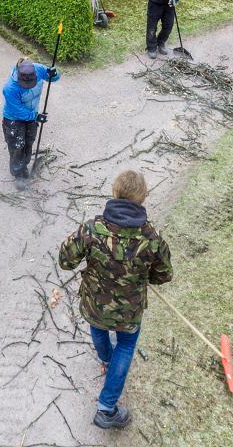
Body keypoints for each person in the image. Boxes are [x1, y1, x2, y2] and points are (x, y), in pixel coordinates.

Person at [58, 170, 172, 430]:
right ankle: (106, 408)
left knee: (98, 328)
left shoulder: (91, 229)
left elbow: (65, 261)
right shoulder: (152, 238)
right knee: (126, 346)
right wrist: (145, 275)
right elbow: (164, 275)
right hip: (128, 311)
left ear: (115, 193)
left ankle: (107, 361)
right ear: (142, 198)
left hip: (95, 304)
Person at [1, 58, 60, 181]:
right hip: (13, 118)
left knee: (29, 140)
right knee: (17, 144)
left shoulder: (38, 69)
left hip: (32, 113)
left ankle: (25, 166)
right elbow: (18, 110)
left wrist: (54, 74)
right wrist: (36, 116)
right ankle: (18, 172)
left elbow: (52, 78)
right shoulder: (10, 88)